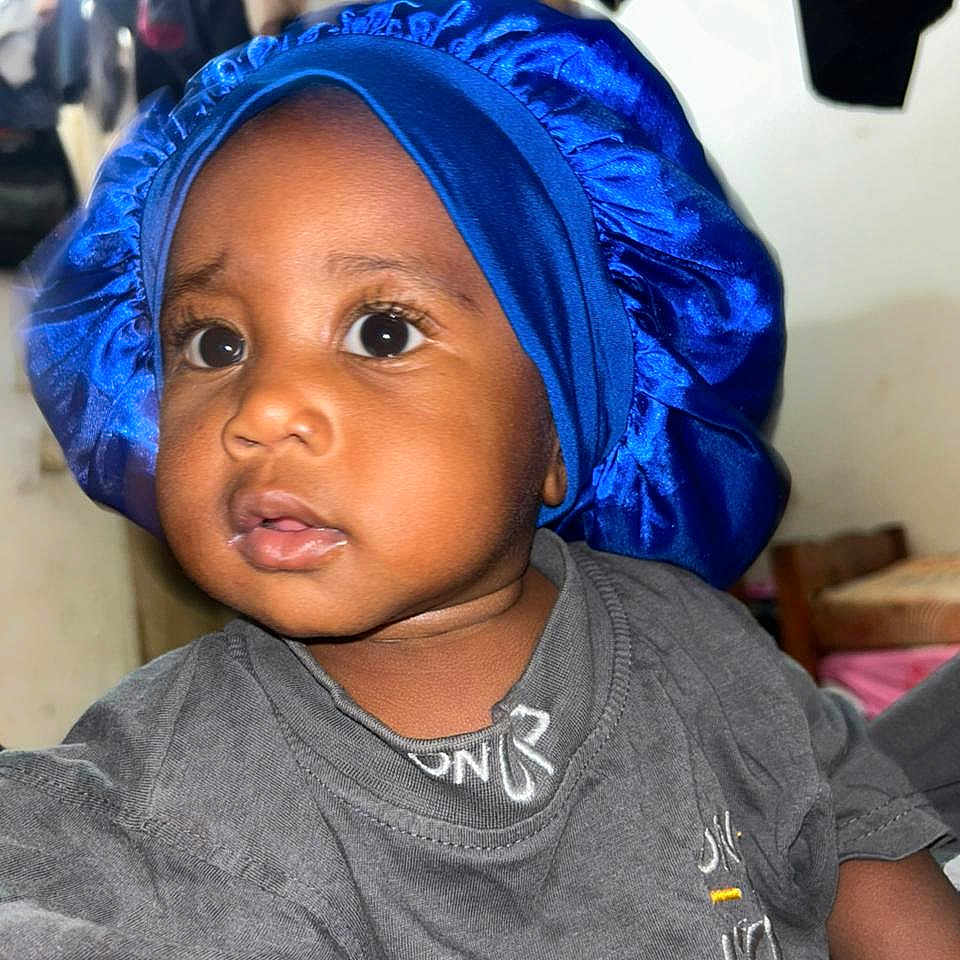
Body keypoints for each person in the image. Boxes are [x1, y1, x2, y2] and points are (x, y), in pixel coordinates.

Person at [3, 1, 959, 955]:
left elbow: (858, 850)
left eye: (382, 331)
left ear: (562, 429)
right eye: (214, 343)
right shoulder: (152, 788)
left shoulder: (707, 659)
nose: (262, 409)